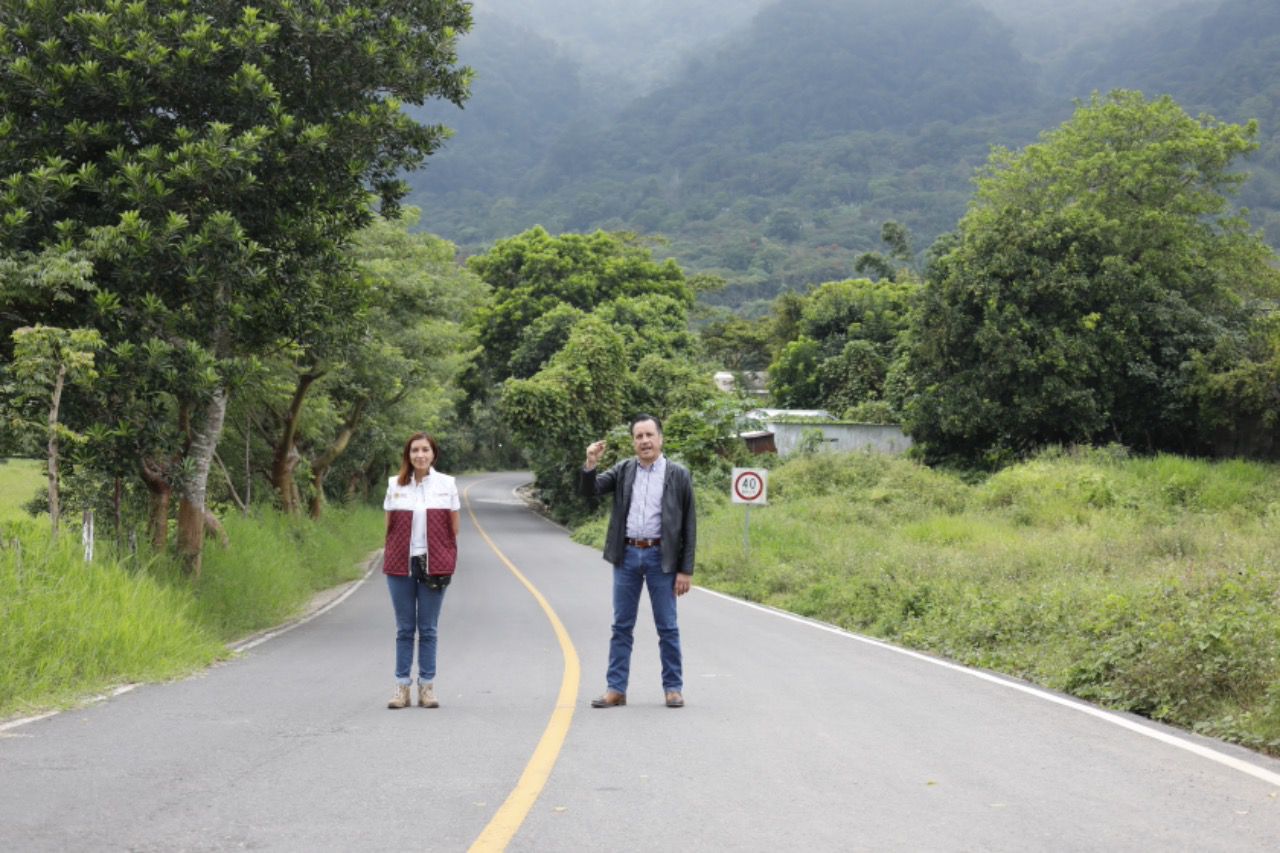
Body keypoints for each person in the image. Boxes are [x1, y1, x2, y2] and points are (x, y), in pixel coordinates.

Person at [580, 414, 696, 709]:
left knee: (667, 626)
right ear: (633, 442)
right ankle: (615, 689)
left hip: (662, 557)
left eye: (649, 435)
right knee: (621, 625)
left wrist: (686, 569)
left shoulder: (678, 474)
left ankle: (673, 688)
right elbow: (589, 491)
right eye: (639, 436)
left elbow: (689, 526)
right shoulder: (624, 471)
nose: (644, 441)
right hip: (628, 555)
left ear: (660, 438)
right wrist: (591, 463)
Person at [382, 432, 460, 709]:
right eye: (415, 450)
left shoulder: (447, 484)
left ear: (433, 454)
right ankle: (401, 687)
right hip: (400, 564)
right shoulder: (395, 484)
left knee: (428, 629)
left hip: (433, 564)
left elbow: (454, 528)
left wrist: (446, 557)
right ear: (408, 454)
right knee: (404, 629)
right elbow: (389, 527)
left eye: (425, 450)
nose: (420, 455)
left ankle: (427, 687)